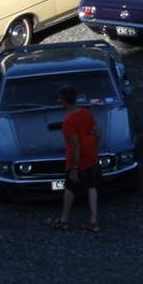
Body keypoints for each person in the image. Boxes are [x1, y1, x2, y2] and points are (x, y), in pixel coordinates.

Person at [46, 87, 101, 232]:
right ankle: (93, 220)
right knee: (91, 186)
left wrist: (74, 169)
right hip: (92, 156)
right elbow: (98, 133)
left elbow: (75, 145)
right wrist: (91, 145)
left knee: (70, 188)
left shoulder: (69, 121)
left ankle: (64, 220)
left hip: (77, 160)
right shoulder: (85, 112)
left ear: (64, 101)